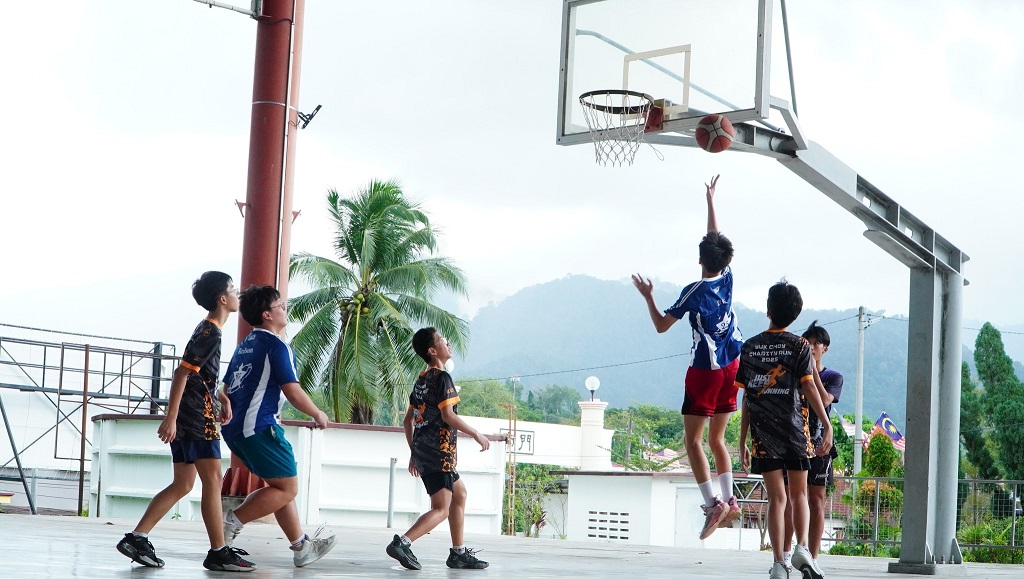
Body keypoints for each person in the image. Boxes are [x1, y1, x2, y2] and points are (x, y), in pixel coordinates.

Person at [116, 271, 256, 572]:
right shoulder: (210, 332)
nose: (238, 294)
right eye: (233, 289)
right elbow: (182, 373)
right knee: (213, 480)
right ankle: (219, 552)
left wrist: (221, 398)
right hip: (195, 418)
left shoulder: (209, 330)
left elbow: (199, 376)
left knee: (183, 484)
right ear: (222, 299)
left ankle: (137, 538)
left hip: (192, 414)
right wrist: (171, 417)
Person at [632, 175, 745, 540]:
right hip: (733, 365)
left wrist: (649, 296)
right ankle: (731, 500)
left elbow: (661, 326)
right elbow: (715, 239)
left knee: (693, 441)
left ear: (700, 260)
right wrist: (711, 200)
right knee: (718, 440)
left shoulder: (693, 291)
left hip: (705, 371)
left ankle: (713, 505)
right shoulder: (727, 277)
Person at [220, 285, 336, 568]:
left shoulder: (245, 345)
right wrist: (317, 413)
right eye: (280, 306)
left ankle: (301, 547)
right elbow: (292, 391)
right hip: (260, 427)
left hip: (236, 429)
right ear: (267, 314)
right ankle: (229, 524)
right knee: (287, 488)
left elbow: (226, 388)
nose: (285, 309)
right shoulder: (276, 345)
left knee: (280, 485)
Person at [737, 281, 833, 579]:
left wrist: (742, 439)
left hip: (763, 433)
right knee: (799, 495)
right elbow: (809, 387)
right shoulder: (800, 346)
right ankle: (802, 547)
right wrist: (826, 424)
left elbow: (747, 397)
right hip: (795, 430)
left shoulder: (749, 346)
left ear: (768, 309)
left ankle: (779, 563)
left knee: (776, 498)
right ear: (795, 314)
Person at [386, 327, 492, 571]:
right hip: (440, 452)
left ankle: (458, 553)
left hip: (426, 451)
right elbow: (448, 415)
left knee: (460, 494)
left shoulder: (421, 381)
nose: (448, 343)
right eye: (443, 340)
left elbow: (408, 421)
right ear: (433, 351)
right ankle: (402, 543)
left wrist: (415, 452)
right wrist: (476, 433)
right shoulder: (443, 378)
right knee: (441, 509)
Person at [780, 321, 843, 571]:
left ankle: (813, 559)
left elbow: (825, 400)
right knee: (791, 498)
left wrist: (812, 370)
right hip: (794, 442)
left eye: (816, 343)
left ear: (825, 348)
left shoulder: (833, 377)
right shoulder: (792, 374)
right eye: (808, 343)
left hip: (820, 443)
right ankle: (786, 553)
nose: (812, 347)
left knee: (816, 500)